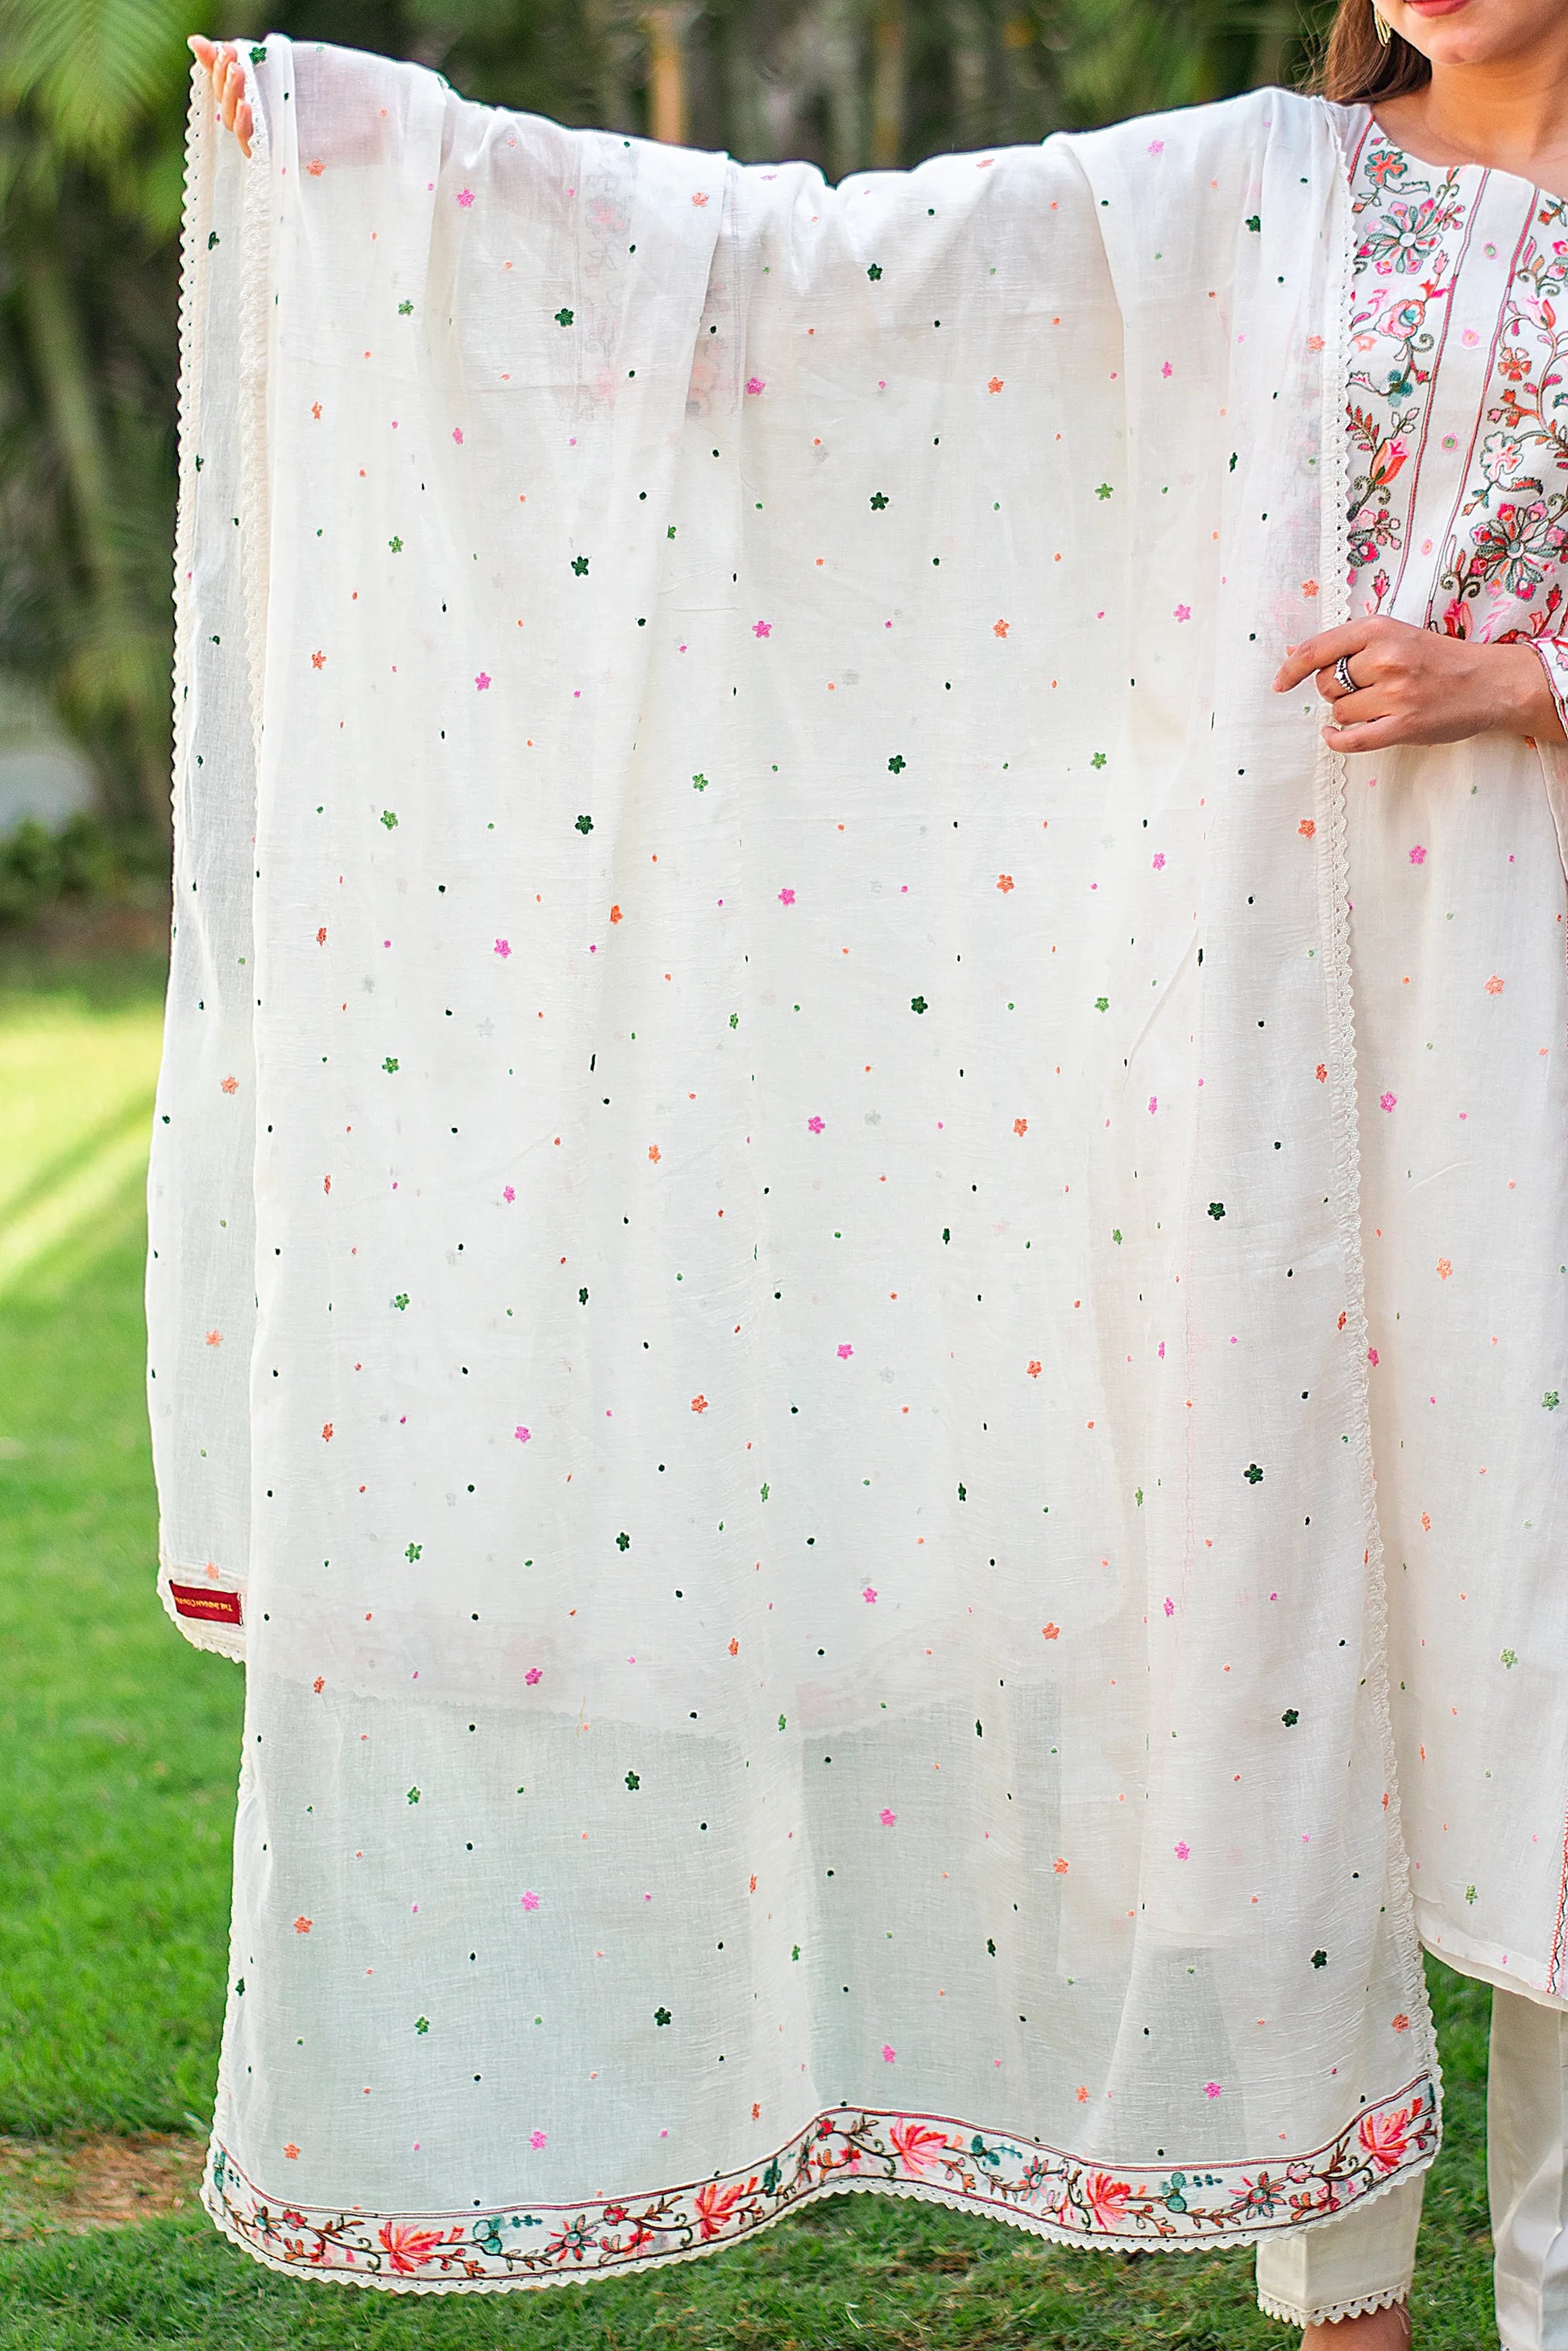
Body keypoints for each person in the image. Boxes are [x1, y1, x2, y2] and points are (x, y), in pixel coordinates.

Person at [185, 7, 1568, 2345]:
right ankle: (1334, 2290)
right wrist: (410, 158)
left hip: (1530, 1002)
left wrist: (1519, 684)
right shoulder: (1255, 185)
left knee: (1547, 1634)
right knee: (1259, 1596)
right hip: (1249, 1023)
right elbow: (831, 279)